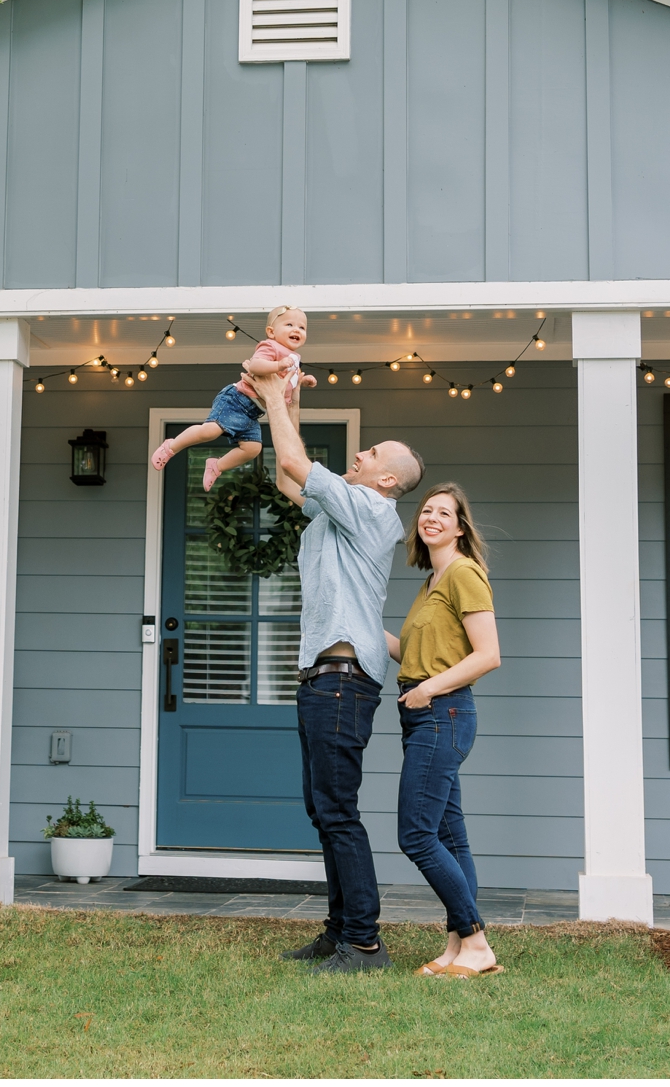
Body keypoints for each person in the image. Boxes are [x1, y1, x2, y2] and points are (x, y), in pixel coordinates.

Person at [249, 362, 423, 974]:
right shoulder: (337, 513)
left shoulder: (371, 513)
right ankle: (339, 930)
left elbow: (299, 466)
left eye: (371, 451)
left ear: (387, 478)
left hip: (343, 683)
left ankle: (366, 944)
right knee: (323, 808)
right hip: (325, 680)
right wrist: (288, 403)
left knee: (338, 810)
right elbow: (285, 476)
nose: (360, 452)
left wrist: (270, 392)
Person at [388, 483, 503, 978]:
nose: (431, 517)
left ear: (460, 527)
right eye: (426, 510)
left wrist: (427, 690)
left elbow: (488, 656)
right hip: (425, 712)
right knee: (449, 838)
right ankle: (458, 948)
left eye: (444, 512)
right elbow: (412, 656)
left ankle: (476, 944)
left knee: (416, 834)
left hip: (442, 713)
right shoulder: (431, 584)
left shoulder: (463, 575)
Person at [151, 304, 319, 489]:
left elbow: (286, 382)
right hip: (237, 400)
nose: (297, 330)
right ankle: (172, 446)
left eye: (302, 327)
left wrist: (303, 380)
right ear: (271, 332)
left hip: (254, 412)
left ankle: (217, 465)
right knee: (210, 431)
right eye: (289, 325)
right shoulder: (271, 346)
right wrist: (278, 364)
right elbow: (255, 366)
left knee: (253, 449)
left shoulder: (294, 357)